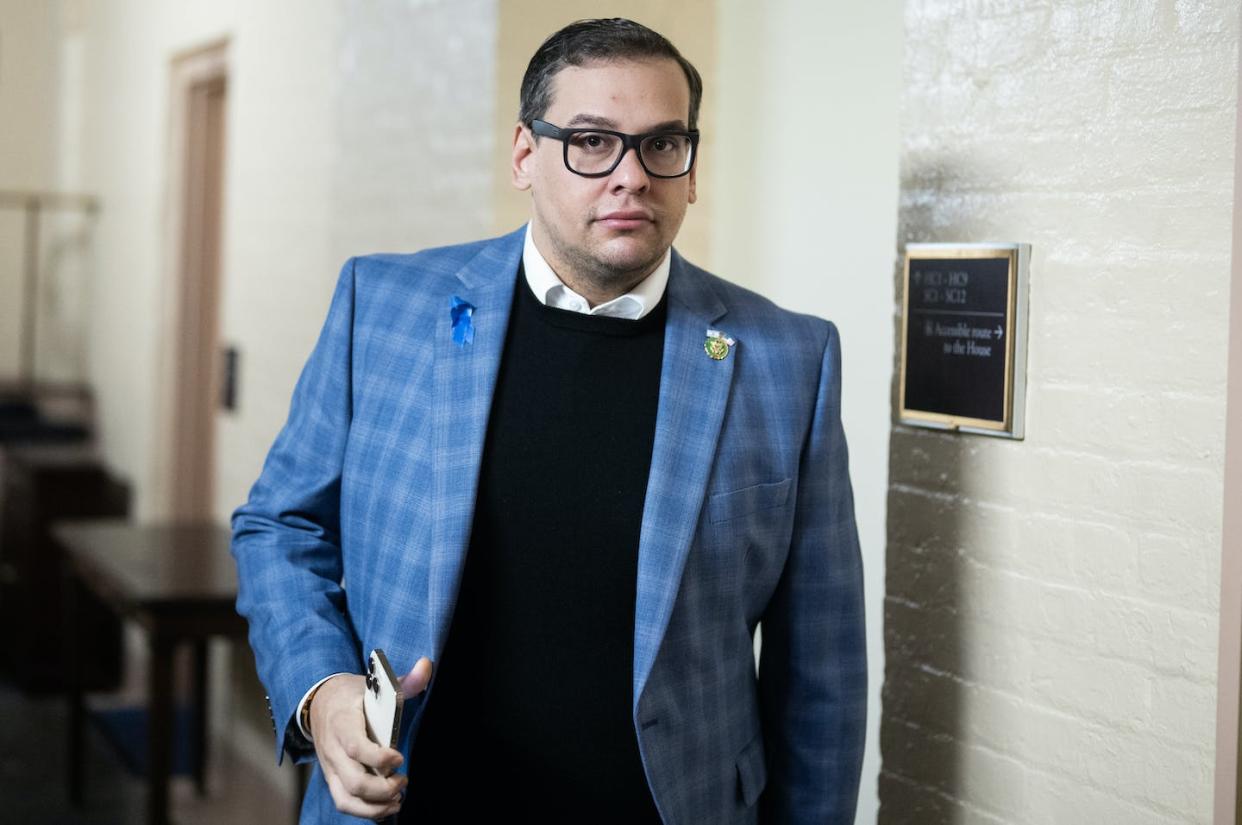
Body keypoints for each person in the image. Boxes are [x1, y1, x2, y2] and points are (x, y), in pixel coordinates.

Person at [232, 17, 866, 825]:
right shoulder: (383, 309)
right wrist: (320, 692)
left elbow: (824, 674)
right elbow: (279, 527)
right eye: (593, 141)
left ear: (691, 167)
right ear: (526, 155)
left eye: (662, 144)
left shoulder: (787, 361)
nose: (631, 176)